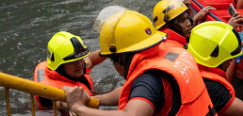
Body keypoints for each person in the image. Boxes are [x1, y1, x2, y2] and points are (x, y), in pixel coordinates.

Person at [64, 6, 217, 116]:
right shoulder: (173, 51)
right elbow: (135, 91)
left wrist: (78, 107)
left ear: (122, 58)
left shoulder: (149, 79)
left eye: (113, 61)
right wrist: (95, 99)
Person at [187, 21, 243, 116]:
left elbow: (224, 80)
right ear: (214, 55)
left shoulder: (191, 63)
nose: (231, 60)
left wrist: (234, 50)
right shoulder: (211, 87)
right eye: (228, 57)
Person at [33, 31, 106, 111]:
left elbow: (91, 59)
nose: (80, 64)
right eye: (73, 61)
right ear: (60, 66)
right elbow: (59, 104)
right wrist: (73, 103)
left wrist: (108, 52)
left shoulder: (72, 69)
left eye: (80, 58)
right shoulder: (48, 93)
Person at [152, 0, 243, 47]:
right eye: (182, 21)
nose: (189, 23)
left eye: (187, 18)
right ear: (168, 26)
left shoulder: (165, 39)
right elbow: (209, 54)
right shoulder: (176, 49)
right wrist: (228, 28)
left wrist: (196, 18)